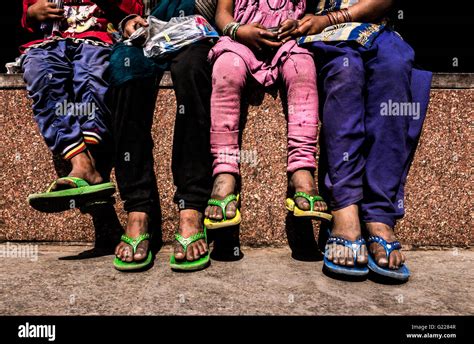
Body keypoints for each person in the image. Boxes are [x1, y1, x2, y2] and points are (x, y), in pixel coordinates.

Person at [293, 0, 432, 280]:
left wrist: (336, 16)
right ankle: (344, 208)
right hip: (326, 35)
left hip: (377, 29)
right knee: (346, 71)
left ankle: (379, 214)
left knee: (394, 68)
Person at [204, 0, 332, 232]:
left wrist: (297, 25)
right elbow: (223, 15)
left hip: (288, 45)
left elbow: (312, 13)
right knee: (226, 71)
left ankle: (302, 169)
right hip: (239, 43)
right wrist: (239, 30)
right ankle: (224, 171)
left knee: (302, 68)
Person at [108, 0, 218, 271]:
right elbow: (123, 9)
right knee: (125, 69)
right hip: (149, 34)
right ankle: (138, 208)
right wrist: (128, 21)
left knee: (192, 70)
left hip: (197, 32)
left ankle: (191, 206)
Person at [22, 0, 144, 212]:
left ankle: (93, 167)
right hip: (50, 43)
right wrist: (33, 13)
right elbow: (28, 15)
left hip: (95, 41)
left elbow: (134, 10)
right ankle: (81, 163)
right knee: (39, 74)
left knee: (92, 75)